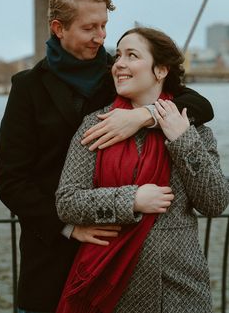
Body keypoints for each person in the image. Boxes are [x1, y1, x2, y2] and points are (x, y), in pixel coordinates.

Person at [0, 0, 214, 313]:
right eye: (89, 28)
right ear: (59, 28)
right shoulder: (28, 88)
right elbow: (10, 179)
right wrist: (67, 226)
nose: (101, 37)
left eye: (104, 25)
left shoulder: (119, 75)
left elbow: (199, 106)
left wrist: (143, 117)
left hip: (119, 258)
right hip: (52, 255)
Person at [55, 27, 229, 313]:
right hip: (110, 287)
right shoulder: (96, 124)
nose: (119, 63)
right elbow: (68, 202)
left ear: (160, 70)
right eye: (118, 55)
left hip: (179, 292)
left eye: (132, 55)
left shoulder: (191, 127)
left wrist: (183, 140)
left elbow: (214, 201)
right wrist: (131, 200)